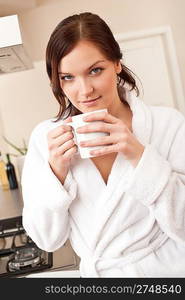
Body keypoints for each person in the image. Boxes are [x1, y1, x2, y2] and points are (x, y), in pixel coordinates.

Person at [22, 12, 185, 278]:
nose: (84, 90)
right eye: (68, 78)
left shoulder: (168, 125)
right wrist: (56, 173)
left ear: (117, 64)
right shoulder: (45, 139)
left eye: (95, 70)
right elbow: (46, 240)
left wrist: (140, 156)